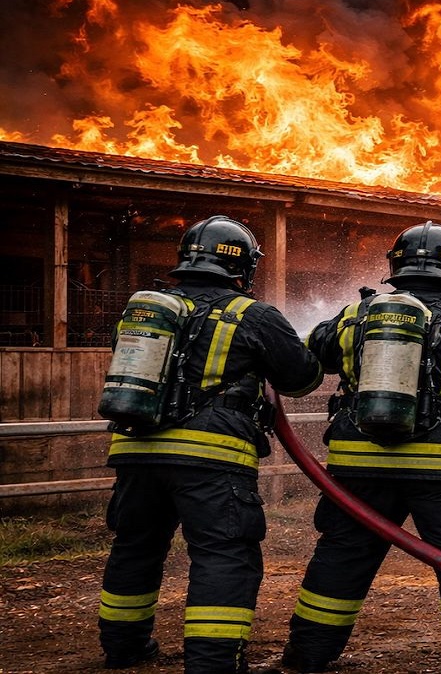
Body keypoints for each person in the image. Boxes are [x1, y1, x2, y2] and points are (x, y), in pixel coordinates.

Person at [282, 221, 441, 674]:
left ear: (394, 268)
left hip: (359, 467)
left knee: (342, 556)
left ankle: (307, 657)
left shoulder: (354, 316)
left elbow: (300, 370)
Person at [97, 215, 324, 672]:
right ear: (244, 268)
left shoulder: (151, 310)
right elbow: (300, 380)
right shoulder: (253, 314)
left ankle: (123, 647)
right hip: (211, 458)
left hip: (136, 451)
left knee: (135, 547)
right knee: (224, 555)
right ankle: (213, 661)